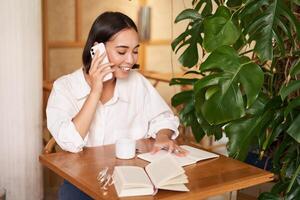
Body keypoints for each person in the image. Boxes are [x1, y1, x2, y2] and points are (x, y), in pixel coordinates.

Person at [46, 11, 186, 200]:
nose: (131, 60)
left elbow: (164, 118)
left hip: (134, 180)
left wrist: (162, 135)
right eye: (122, 51)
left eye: (135, 51)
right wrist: (95, 91)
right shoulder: (65, 87)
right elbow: (69, 142)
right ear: (98, 50)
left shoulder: (137, 82)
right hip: (83, 183)